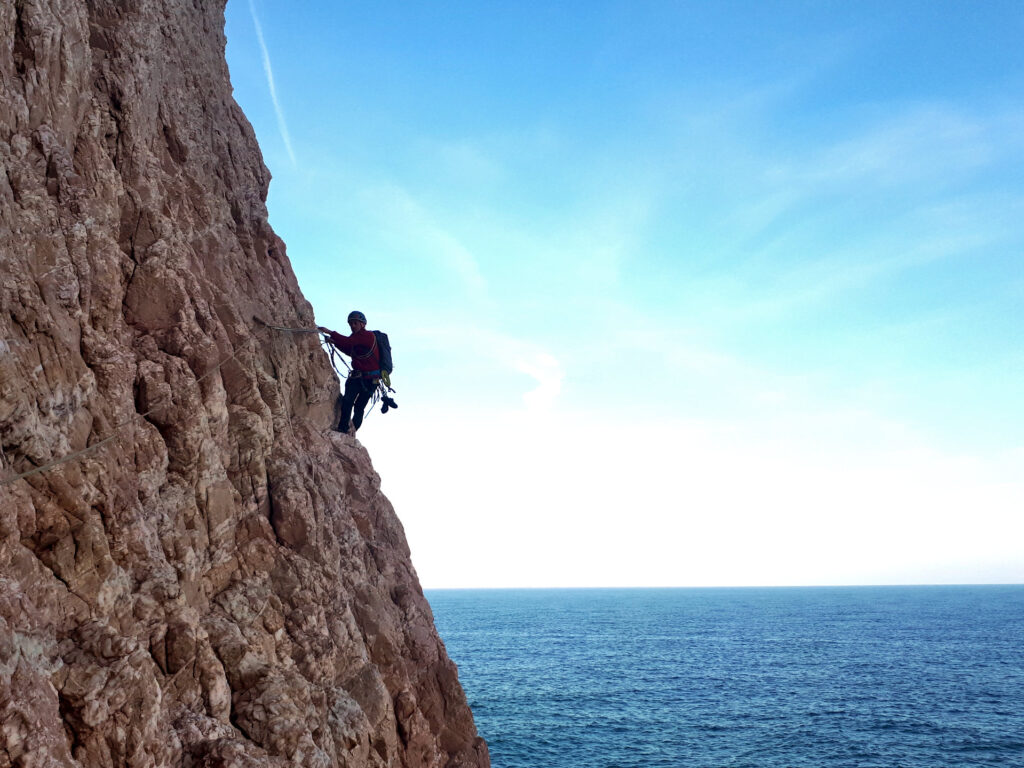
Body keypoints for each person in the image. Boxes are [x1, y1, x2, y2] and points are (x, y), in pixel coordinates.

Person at [318, 311, 380, 434]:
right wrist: (335, 343)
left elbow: (347, 342)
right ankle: (343, 428)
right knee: (348, 402)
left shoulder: (367, 336)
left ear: (363, 324)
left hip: (368, 380)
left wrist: (330, 332)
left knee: (357, 406)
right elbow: (349, 349)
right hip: (361, 377)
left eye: (355, 323)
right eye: (351, 323)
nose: (352, 326)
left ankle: (352, 430)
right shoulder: (356, 338)